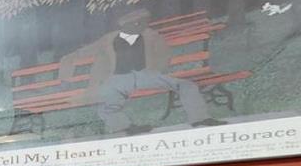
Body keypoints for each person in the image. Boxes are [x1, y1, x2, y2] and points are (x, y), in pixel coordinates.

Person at [63, 8, 218, 133]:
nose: (144, 25)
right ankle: (125, 127)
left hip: (145, 75)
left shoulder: (152, 36)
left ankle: (200, 118)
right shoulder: (108, 39)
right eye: (140, 22)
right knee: (106, 106)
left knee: (186, 85)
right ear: (129, 24)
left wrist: (158, 70)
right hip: (117, 78)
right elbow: (77, 55)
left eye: (144, 22)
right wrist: (65, 77)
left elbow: (165, 54)